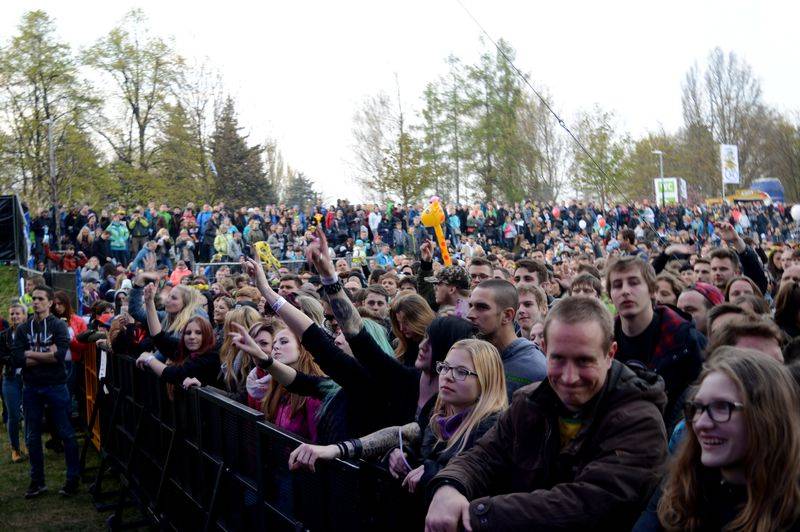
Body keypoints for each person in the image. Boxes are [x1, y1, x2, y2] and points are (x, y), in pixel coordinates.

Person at [425, 296, 668, 531]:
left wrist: (480, 514)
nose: (569, 377)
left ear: (610, 354)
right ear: (543, 349)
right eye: (558, 359)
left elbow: (587, 504)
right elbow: (485, 454)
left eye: (584, 361)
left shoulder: (639, 421)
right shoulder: (530, 402)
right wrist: (450, 485)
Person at [288, 339, 507, 504]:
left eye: (461, 371)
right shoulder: (437, 414)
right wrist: (403, 452)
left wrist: (432, 470)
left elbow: (475, 473)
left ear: (487, 379)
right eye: (445, 367)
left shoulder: (494, 426)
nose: (447, 376)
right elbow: (401, 433)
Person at [635, 347, 800, 531]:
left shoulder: (791, 508)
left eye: (722, 407)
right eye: (697, 407)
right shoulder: (682, 485)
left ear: (767, 417)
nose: (701, 423)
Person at [607, 256, 705, 429]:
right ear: (610, 295)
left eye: (634, 283)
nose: (625, 291)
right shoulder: (603, 342)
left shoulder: (685, 340)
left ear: (652, 290)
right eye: (617, 285)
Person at [11, 285, 79, 498]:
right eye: (34, 298)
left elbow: (59, 356)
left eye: (40, 298)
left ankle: (72, 480)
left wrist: (32, 354)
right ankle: (37, 481)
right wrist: (43, 355)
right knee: (32, 436)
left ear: (50, 302)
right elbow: (18, 358)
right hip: (31, 387)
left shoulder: (59, 325)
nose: (36, 302)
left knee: (66, 433)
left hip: (56, 385)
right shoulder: (23, 328)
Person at [467, 279, 546, 398]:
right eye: (470, 306)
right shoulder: (469, 357)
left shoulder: (534, 369)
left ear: (507, 315)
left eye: (481, 307)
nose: (470, 314)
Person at [0, 303, 29, 463]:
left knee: (28, 414)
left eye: (18, 314)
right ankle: (15, 449)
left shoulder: (30, 333)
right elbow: (2, 356)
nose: (14, 317)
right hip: (10, 378)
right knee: (14, 415)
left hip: (28, 378)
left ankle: (28, 444)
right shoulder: (3, 336)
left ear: (24, 316)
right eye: (12, 314)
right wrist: (22, 359)